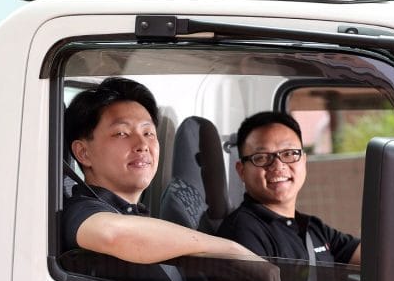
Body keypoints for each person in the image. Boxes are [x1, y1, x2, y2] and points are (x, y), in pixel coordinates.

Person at [61, 77, 256, 263]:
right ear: (84, 153)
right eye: (122, 133)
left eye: (148, 133)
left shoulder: (135, 214)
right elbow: (110, 234)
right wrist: (232, 250)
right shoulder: (81, 210)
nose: (143, 144)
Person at [217, 111, 361, 265]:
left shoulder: (313, 228)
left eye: (289, 153)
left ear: (303, 161)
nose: (278, 166)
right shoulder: (244, 231)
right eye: (262, 157)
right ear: (241, 171)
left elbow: (377, 256)